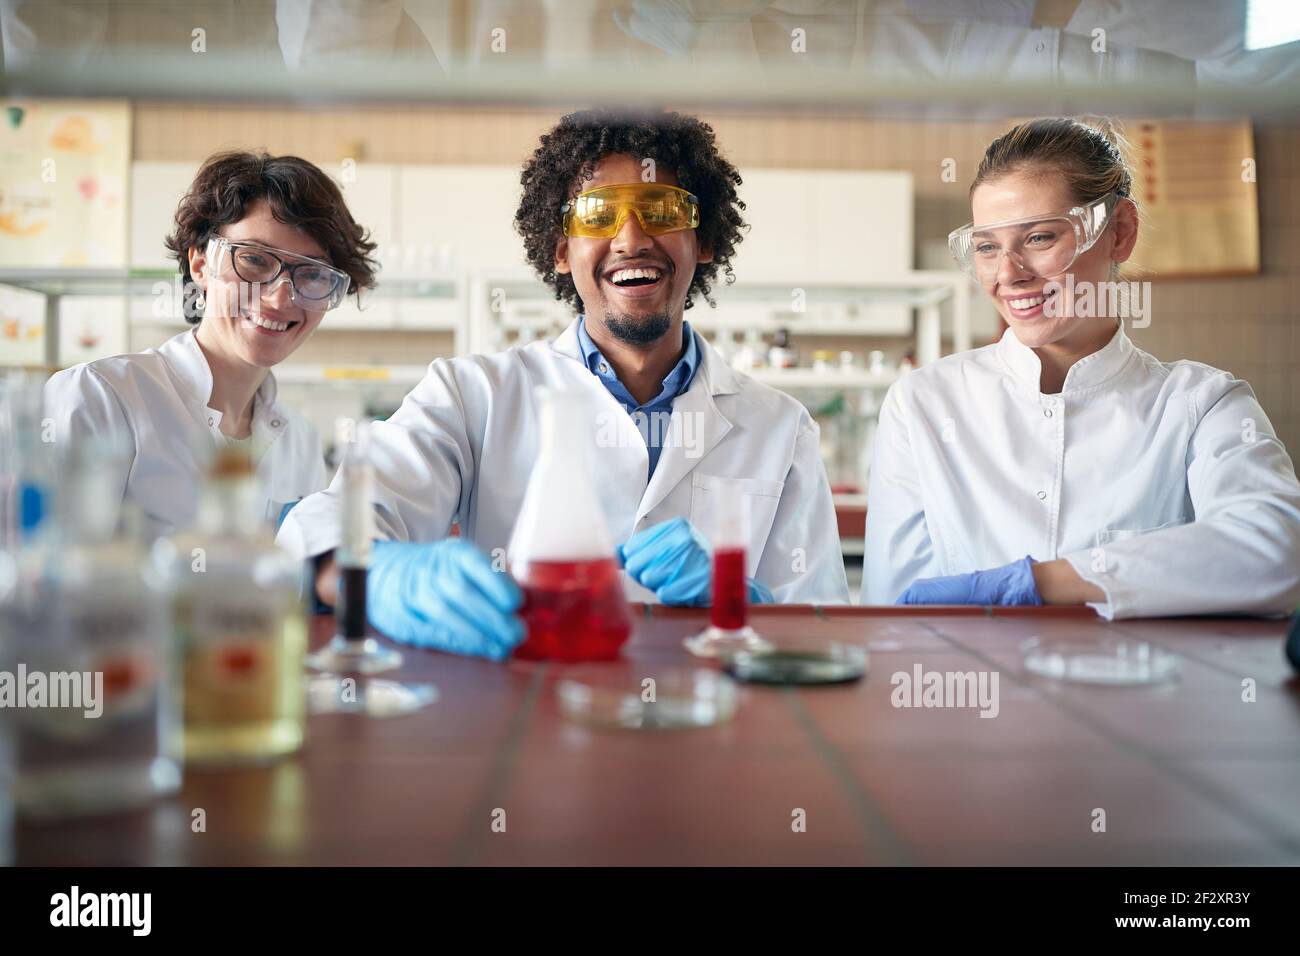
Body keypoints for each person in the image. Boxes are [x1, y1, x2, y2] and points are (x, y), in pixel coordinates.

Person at [278, 108, 850, 659]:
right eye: (597, 215)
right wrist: (379, 575)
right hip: (532, 711)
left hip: (714, 723)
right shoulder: (471, 395)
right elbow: (334, 518)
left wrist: (746, 604)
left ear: (703, 241)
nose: (631, 239)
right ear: (559, 250)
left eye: (660, 209)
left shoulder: (780, 426)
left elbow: (823, 630)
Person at [863, 117, 1300, 619]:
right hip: (976, 695)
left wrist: (1038, 583)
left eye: (1040, 237)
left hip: (1144, 695)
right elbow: (889, 620)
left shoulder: (1202, 404)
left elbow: (1278, 552)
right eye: (987, 246)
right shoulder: (923, 402)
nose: (1008, 274)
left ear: (1121, 232)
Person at [44, 150, 378, 536]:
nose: (279, 298)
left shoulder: (299, 442)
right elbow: (46, 572)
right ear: (200, 264)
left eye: (312, 274)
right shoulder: (100, 398)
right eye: (254, 260)